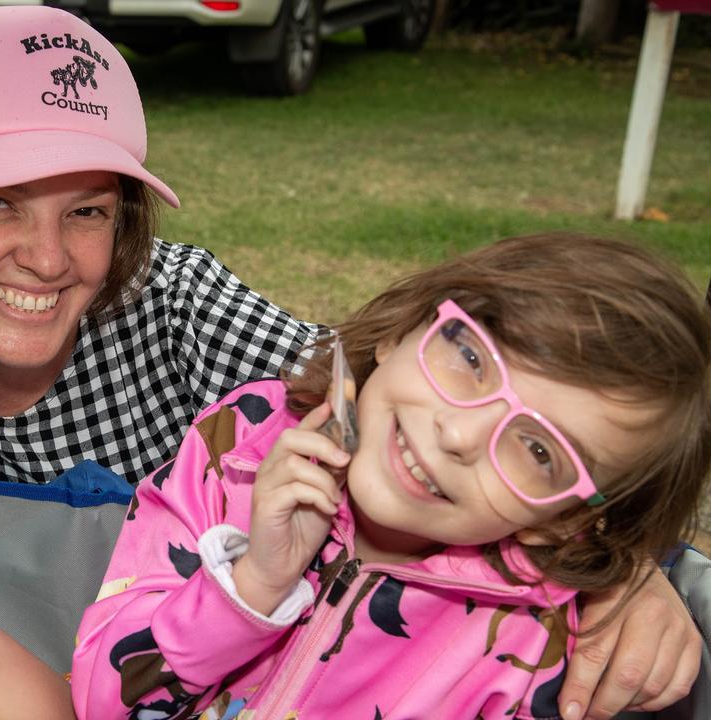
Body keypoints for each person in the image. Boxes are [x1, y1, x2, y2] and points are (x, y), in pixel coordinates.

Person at [0, 7, 703, 720]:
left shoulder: (178, 310)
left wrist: (628, 565)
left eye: (88, 210)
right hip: (112, 682)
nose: (47, 260)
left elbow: (364, 391)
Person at [70, 234, 711, 719]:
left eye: (540, 453)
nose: (459, 435)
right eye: (468, 357)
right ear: (405, 330)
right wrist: (253, 584)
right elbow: (103, 701)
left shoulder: (531, 641)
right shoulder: (240, 445)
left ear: (565, 519)